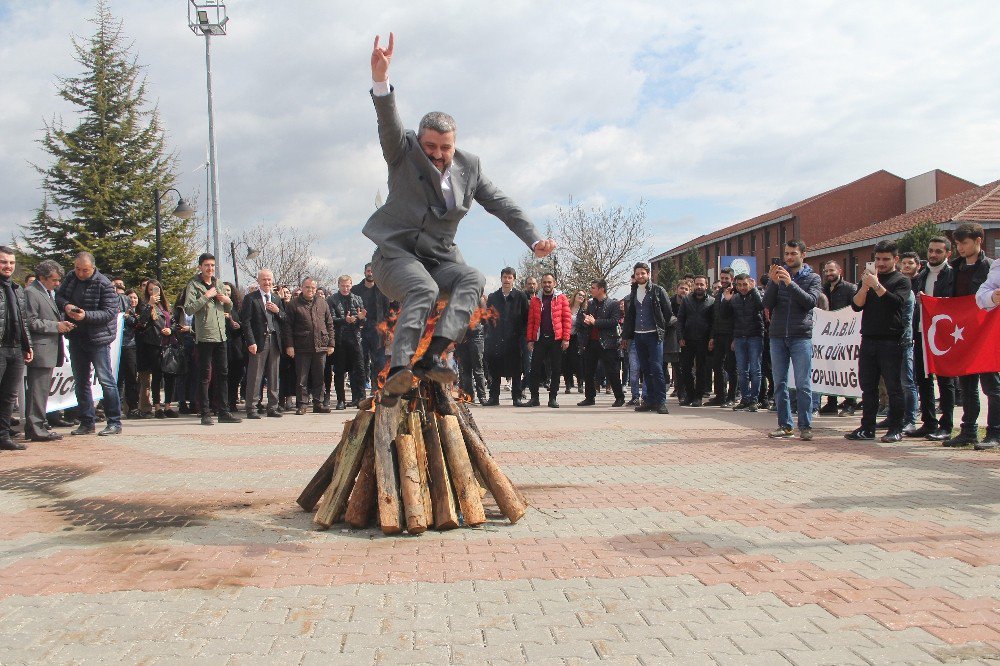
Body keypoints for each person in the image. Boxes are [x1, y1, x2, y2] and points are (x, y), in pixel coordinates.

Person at [365, 34, 555, 405]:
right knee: (423, 289)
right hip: (396, 258)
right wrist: (381, 83)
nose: (437, 154)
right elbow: (388, 122)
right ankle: (400, 369)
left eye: (445, 148)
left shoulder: (471, 167)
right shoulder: (402, 152)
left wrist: (534, 240)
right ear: (420, 142)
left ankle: (434, 355)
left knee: (472, 277)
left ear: (455, 144)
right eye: (431, 147)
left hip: (438, 259)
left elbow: (502, 204)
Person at [845, 240, 912, 443]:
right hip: (869, 339)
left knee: (893, 387)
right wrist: (865, 287)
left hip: (891, 341)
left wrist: (877, 286)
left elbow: (895, 303)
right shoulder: (868, 279)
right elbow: (856, 306)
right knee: (868, 387)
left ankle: (895, 428)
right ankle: (867, 427)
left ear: (895, 259)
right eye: (878, 259)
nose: (881, 263)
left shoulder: (901, 280)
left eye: (886, 259)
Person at [943, 223, 998, 449]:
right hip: (962, 333)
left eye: (964, 243)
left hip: (985, 334)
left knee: (991, 385)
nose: (960, 248)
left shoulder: (990, 266)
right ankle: (968, 431)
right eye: (957, 244)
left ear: (978, 241)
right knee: (966, 385)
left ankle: (994, 431)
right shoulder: (953, 269)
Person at [55, 251, 121, 436]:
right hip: (76, 337)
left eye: (85, 270)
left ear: (93, 268)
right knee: (81, 381)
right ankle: (86, 422)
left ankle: (114, 422)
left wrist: (86, 315)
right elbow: (58, 297)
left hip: (98, 339)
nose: (80, 273)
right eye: (77, 269)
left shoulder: (105, 284)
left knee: (106, 380)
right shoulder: (71, 278)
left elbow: (109, 313)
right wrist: (67, 306)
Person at [762, 240, 821, 441]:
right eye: (786, 253)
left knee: (803, 383)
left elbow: (810, 302)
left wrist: (790, 284)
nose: (788, 257)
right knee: (780, 383)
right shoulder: (777, 277)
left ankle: (805, 426)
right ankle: (785, 425)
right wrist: (772, 283)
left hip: (800, 336)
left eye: (793, 253)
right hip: (778, 336)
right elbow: (766, 304)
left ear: (803, 255)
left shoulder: (813, 278)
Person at [183, 253, 242, 426]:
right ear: (200, 267)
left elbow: (229, 306)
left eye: (212, 265)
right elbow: (189, 308)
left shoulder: (219, 283)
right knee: (204, 376)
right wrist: (206, 296)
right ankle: (205, 412)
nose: (210, 268)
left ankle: (224, 411)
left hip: (221, 335)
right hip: (204, 336)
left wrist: (226, 300)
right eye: (207, 265)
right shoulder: (193, 285)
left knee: (223, 374)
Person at [909, 236, 955, 441]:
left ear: (947, 254)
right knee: (923, 378)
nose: (933, 255)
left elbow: (955, 303)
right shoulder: (921, 276)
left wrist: (935, 302)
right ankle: (929, 422)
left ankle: (946, 425)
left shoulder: (952, 275)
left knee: (945, 380)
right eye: (930, 251)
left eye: (938, 251)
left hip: (943, 335)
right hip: (920, 332)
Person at [24, 260, 69, 443]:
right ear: (42, 278)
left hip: (48, 349)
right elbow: (30, 321)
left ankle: (37, 426)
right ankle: (36, 428)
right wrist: (56, 326)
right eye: (55, 280)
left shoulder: (46, 292)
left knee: (41, 391)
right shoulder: (31, 293)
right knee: (37, 391)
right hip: (40, 349)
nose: (58, 284)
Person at [622, 262, 672, 414]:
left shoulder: (658, 290)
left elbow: (668, 312)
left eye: (643, 273)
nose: (640, 276)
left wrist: (661, 329)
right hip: (639, 336)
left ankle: (661, 402)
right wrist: (626, 335)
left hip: (654, 335)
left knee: (657, 368)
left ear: (648, 274)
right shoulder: (633, 292)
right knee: (645, 369)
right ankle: (649, 400)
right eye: (637, 274)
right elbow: (630, 316)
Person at [281, 277, 335, 415]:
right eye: (307, 287)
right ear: (302, 287)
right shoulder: (293, 305)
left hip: (321, 346)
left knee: (320, 377)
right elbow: (287, 327)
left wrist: (331, 343)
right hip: (301, 347)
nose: (310, 290)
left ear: (316, 289)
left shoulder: (323, 303)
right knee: (302, 378)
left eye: (312, 288)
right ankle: (302, 404)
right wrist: (289, 346)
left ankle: (318, 403)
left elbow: (329, 324)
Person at [241, 269, 286, 419]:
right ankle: (251, 407)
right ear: (258, 281)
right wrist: (250, 341)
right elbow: (246, 322)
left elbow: (285, 319)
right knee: (255, 376)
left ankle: (272, 407)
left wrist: (278, 310)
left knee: (274, 375)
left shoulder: (276, 299)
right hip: (259, 341)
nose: (267, 282)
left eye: (269, 280)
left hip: (274, 340)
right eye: (264, 280)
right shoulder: (251, 298)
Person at [523, 273, 571, 408]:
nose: (547, 285)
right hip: (540, 339)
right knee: (535, 369)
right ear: (541, 283)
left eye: (549, 282)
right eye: (544, 282)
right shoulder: (535, 300)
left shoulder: (561, 298)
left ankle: (553, 398)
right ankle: (534, 398)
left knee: (556, 369)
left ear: (554, 283)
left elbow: (566, 319)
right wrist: (530, 339)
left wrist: (566, 338)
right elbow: (531, 321)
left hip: (556, 339)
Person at [577, 279, 625, 407]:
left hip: (607, 343)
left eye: (593, 288)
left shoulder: (613, 304)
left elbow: (614, 321)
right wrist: (585, 321)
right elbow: (584, 320)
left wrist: (595, 322)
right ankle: (589, 397)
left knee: (612, 371)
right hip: (591, 342)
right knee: (589, 371)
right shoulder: (591, 304)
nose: (591, 290)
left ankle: (619, 397)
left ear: (601, 289)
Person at [484, 268, 529, 406]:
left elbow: (526, 318)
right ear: (501, 278)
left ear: (514, 279)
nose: (507, 280)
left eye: (510, 277)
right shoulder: (493, 297)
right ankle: (493, 397)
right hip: (496, 338)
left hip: (515, 339)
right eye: (505, 277)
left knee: (516, 370)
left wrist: (523, 337)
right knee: (494, 369)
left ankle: (517, 397)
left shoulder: (520, 297)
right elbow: (488, 318)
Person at [818, 260, 857, 416]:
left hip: (846, 336)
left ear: (839, 270)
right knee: (829, 370)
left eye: (831, 270)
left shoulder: (850, 289)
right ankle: (831, 403)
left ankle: (850, 404)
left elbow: (856, 309)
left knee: (846, 370)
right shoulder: (823, 289)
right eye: (826, 271)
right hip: (827, 336)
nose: (829, 274)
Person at [135, 280, 178, 419]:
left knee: (170, 375)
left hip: (167, 343)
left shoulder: (165, 305)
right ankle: (158, 407)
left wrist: (170, 330)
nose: (154, 291)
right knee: (157, 376)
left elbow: (173, 322)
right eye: (151, 289)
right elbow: (141, 322)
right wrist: (150, 304)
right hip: (153, 344)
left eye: (156, 289)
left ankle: (168, 406)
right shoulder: (145, 305)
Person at [727, 274, 765, 412]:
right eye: (739, 285)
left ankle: (754, 400)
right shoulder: (735, 298)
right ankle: (745, 398)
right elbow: (728, 318)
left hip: (755, 336)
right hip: (739, 337)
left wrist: (754, 290)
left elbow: (761, 306)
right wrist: (726, 301)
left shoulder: (757, 294)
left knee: (755, 370)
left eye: (745, 284)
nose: (742, 287)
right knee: (742, 371)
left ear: (750, 283)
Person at [328, 275, 366, 409]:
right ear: (338, 285)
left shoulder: (357, 299)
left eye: (347, 285)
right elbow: (331, 319)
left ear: (351, 285)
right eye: (343, 285)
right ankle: (341, 400)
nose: (345, 288)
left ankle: (361, 398)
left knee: (360, 370)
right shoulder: (332, 299)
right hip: (340, 340)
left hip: (355, 339)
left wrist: (361, 319)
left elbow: (362, 320)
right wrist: (345, 320)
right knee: (339, 371)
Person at [676, 276, 714, 407]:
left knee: (701, 369)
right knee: (685, 369)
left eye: (701, 285)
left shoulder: (711, 302)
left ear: (706, 286)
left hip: (704, 340)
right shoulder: (686, 300)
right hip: (687, 340)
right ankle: (689, 395)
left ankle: (698, 397)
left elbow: (713, 322)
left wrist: (711, 338)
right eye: (697, 284)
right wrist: (680, 337)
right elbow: (680, 319)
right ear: (693, 286)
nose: (699, 287)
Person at [352, 262, 390, 391]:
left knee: (379, 362)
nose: (370, 273)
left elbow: (387, 311)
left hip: (378, 332)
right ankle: (360, 395)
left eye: (373, 271)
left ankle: (376, 391)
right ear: (364, 272)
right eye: (368, 271)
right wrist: (357, 320)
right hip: (360, 330)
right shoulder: (355, 290)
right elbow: (351, 310)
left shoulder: (383, 290)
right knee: (360, 363)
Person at [898, 252, 922, 432]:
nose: (906, 266)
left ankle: (910, 419)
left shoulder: (910, 292)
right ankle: (895, 416)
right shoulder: (893, 284)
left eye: (910, 263)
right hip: (888, 342)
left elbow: (906, 320)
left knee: (908, 382)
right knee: (894, 383)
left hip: (906, 341)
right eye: (903, 263)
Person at [708, 267, 737, 407]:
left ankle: (731, 397)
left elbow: (737, 316)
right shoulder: (718, 293)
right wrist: (712, 336)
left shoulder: (736, 293)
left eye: (727, 278)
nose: (724, 281)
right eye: (722, 278)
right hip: (718, 334)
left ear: (732, 279)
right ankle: (720, 395)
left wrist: (735, 337)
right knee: (716, 365)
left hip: (731, 335)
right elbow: (715, 317)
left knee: (731, 367)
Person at [455, 293, 488, 404]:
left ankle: (482, 396)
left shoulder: (479, 298)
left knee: (478, 367)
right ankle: (469, 396)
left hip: (476, 335)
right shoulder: (456, 297)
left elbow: (484, 319)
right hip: (461, 336)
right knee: (464, 369)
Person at [222, 282, 246, 414]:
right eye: (224, 290)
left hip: (236, 345)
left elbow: (244, 324)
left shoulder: (238, 308)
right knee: (224, 376)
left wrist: (237, 324)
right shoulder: (218, 306)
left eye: (229, 290)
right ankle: (222, 403)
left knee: (236, 375)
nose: (227, 293)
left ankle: (232, 401)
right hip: (222, 344)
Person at [118, 288, 141, 418]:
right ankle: (117, 408)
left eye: (135, 297)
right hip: (117, 346)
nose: (132, 300)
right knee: (118, 379)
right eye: (130, 297)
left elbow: (138, 323)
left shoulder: (133, 313)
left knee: (132, 377)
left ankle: (133, 408)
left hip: (131, 346)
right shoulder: (117, 310)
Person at [563, 290, 587, 394]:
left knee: (578, 362)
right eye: (579, 295)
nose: (581, 297)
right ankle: (568, 384)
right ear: (575, 295)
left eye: (583, 296)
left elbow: (585, 327)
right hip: (566, 337)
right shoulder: (567, 307)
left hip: (578, 338)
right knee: (566, 362)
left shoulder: (584, 310)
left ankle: (580, 384)